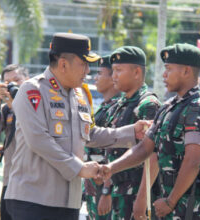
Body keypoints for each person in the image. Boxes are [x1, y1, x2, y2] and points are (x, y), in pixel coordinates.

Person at [4, 33, 149, 220]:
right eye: (84, 64)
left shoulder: (80, 95)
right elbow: (38, 140)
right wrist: (80, 169)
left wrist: (130, 131)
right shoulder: (32, 90)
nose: (88, 71)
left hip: (69, 203)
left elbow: (90, 134)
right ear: (63, 64)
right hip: (33, 201)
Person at [100, 43, 200, 219]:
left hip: (188, 207)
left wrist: (170, 201)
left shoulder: (199, 108)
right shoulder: (168, 108)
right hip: (165, 205)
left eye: (169, 69)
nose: (164, 74)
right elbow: (145, 149)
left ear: (186, 71)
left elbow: (193, 160)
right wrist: (110, 168)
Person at [105, 46, 161, 220]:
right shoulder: (120, 104)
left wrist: (142, 200)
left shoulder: (148, 104)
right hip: (119, 190)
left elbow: (152, 155)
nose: (113, 76)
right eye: (113, 70)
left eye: (119, 70)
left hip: (136, 191)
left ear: (137, 72)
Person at [0, 64, 29, 220]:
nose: (12, 86)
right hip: (10, 179)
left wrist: (15, 104)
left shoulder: (38, 105)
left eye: (16, 80)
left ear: (27, 81)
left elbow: (30, 126)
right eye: (7, 83)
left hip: (31, 181)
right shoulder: (5, 109)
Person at [84, 55, 120, 220]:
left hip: (106, 184)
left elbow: (115, 152)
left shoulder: (118, 109)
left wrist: (107, 189)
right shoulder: (104, 107)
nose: (95, 78)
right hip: (94, 183)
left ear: (113, 78)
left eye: (100, 73)